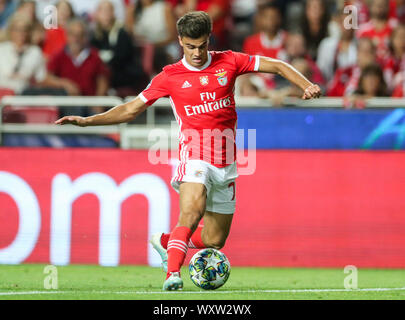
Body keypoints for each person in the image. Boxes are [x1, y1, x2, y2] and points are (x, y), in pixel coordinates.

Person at [54, 11, 321, 291]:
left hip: (227, 161)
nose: (196, 53)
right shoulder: (170, 76)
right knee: (192, 212)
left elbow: (277, 65)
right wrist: (88, 121)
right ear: (180, 41)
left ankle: (167, 242)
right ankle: (172, 274)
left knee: (215, 240)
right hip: (194, 155)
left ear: (209, 40)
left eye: (202, 45)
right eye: (190, 46)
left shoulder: (229, 61)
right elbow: (131, 108)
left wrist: (306, 85)